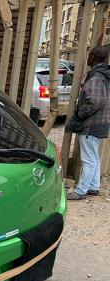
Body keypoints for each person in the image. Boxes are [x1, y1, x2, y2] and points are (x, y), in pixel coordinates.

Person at [66, 46, 110, 200]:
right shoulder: (104, 74)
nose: (88, 59)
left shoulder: (96, 76)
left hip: (91, 124)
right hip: (100, 123)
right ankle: (93, 187)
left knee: (88, 159)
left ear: (93, 57)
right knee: (94, 157)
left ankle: (81, 191)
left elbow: (96, 100)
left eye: (89, 55)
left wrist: (80, 113)